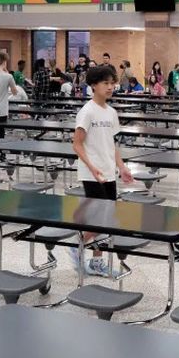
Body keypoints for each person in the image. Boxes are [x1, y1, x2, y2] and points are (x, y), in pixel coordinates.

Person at [71, 66, 134, 277]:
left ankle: (96, 261)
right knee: (102, 219)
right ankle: (78, 244)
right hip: (92, 174)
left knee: (105, 219)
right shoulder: (87, 111)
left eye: (112, 83)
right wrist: (92, 167)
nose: (110, 87)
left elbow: (112, 144)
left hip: (108, 172)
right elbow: (77, 144)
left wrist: (122, 167)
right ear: (94, 86)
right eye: (105, 83)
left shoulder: (111, 112)